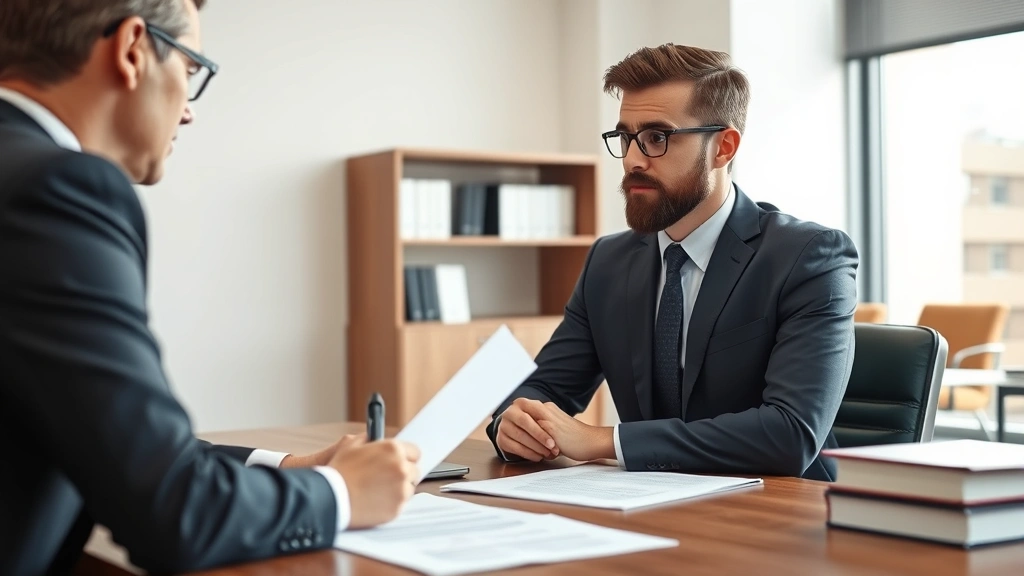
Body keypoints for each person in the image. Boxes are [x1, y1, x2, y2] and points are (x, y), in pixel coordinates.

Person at [0, 1, 420, 575]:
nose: (191, 114)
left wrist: (291, 466)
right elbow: (172, 513)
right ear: (131, 51)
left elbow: (110, 436)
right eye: (192, 69)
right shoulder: (56, 190)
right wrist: (339, 493)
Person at [488, 44, 858, 482]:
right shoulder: (608, 262)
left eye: (657, 138)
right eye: (625, 137)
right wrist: (513, 424)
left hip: (780, 517)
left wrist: (606, 441)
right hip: (648, 509)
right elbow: (544, 388)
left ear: (724, 146)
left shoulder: (809, 258)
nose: (632, 159)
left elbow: (790, 434)